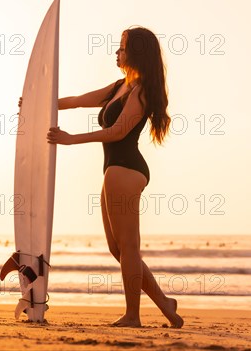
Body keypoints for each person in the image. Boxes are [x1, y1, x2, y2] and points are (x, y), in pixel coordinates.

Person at [44, 27, 183, 328]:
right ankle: (166, 304)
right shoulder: (120, 86)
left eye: (121, 47)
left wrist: (70, 139)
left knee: (129, 247)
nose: (116, 53)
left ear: (136, 53)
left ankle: (133, 315)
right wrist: (42, 102)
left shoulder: (141, 90)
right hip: (114, 171)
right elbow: (79, 100)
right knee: (118, 249)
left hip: (127, 169)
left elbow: (118, 131)